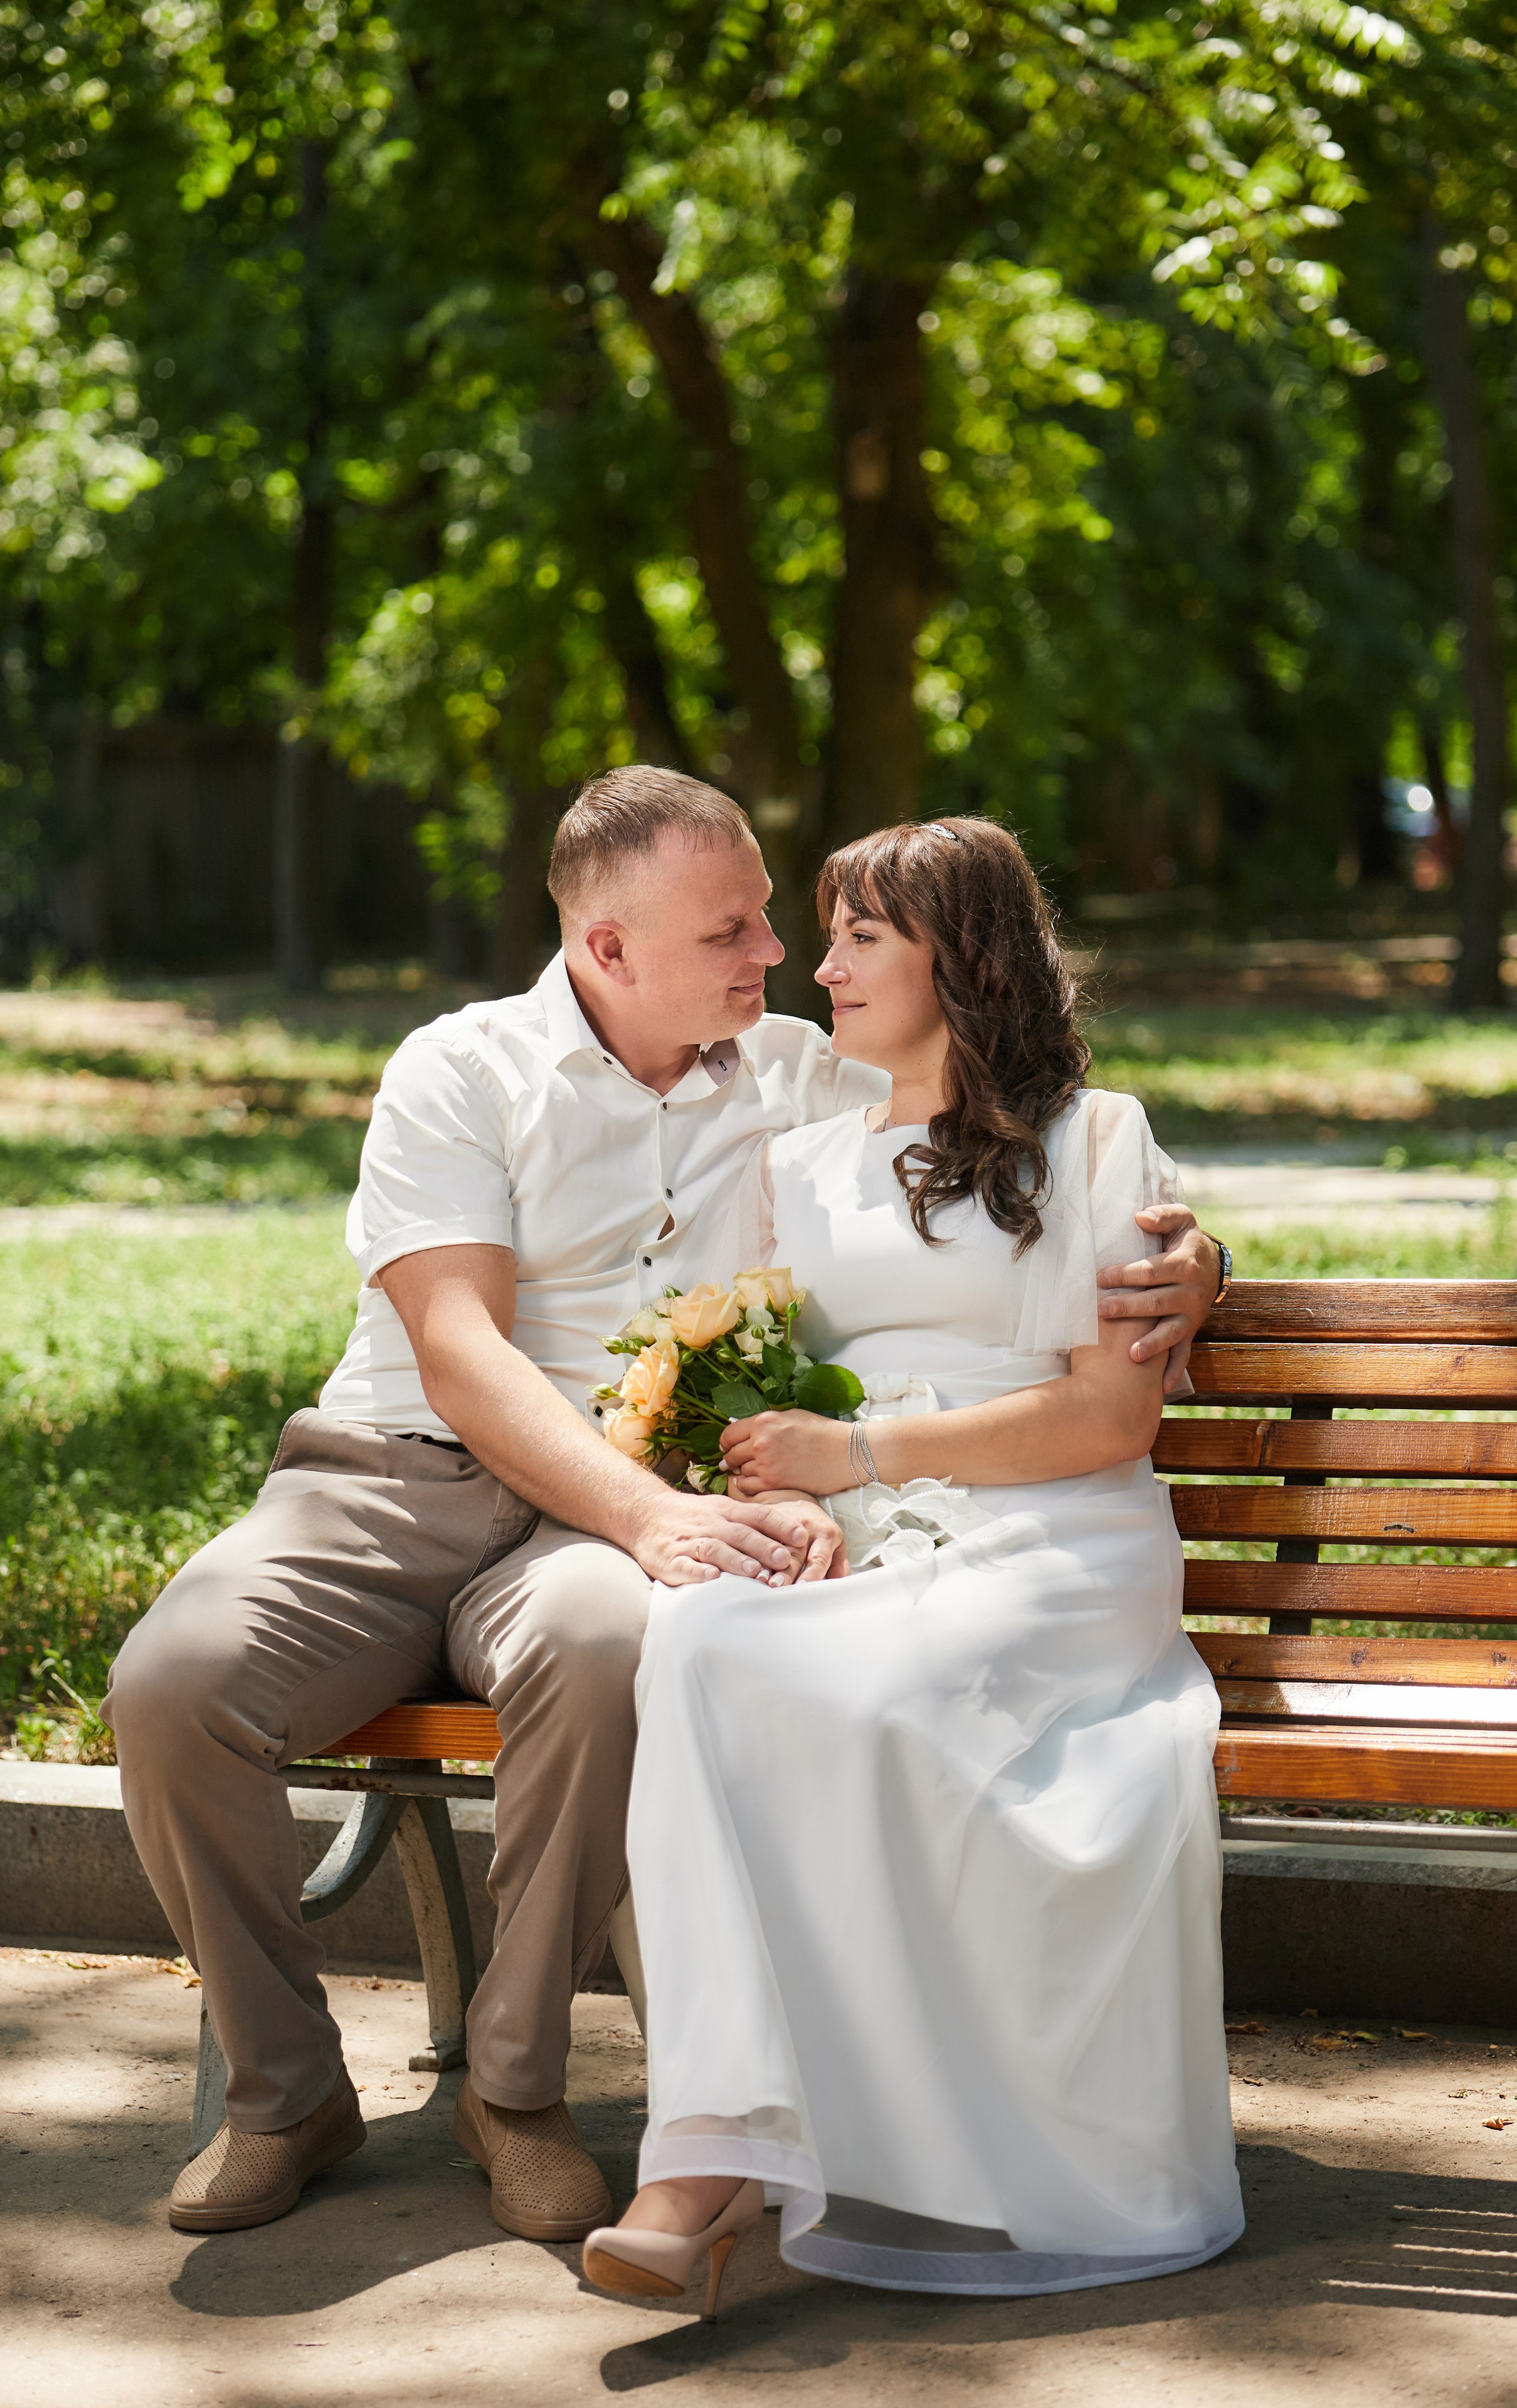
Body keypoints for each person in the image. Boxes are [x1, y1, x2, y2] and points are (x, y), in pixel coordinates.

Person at [103, 769, 1224, 2244]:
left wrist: (1196, 1256)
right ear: (607, 951)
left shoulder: (796, 1072)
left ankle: (512, 2091)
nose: (776, 959)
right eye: (735, 930)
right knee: (170, 1687)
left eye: (777, 922)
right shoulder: (461, 1069)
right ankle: (284, 2093)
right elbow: (457, 1353)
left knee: (611, 1653)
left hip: (597, 1523)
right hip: (393, 1479)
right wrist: (648, 1517)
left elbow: (1015, 1127)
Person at [581, 816, 1242, 2315]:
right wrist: (778, 1472)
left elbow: (1108, 1413)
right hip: (866, 1537)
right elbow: (754, 1380)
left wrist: (864, 1456)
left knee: (859, 1704)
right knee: (694, 1645)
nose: (819, 969)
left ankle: (762, 2157)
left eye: (859, 939)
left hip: (1058, 1541)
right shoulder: (795, 1160)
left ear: (967, 954)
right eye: (821, 938)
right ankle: (711, 2140)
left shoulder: (1092, 1136)